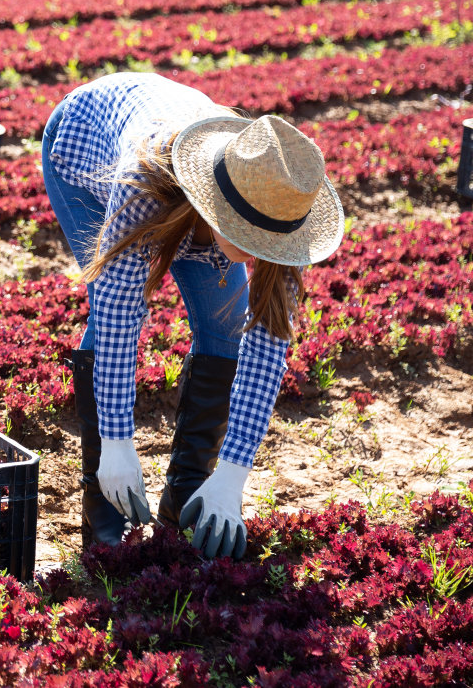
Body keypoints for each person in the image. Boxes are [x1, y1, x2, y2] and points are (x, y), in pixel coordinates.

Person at [40, 73, 343, 558]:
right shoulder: (143, 182)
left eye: (264, 242)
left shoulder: (282, 206)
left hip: (180, 174)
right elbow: (120, 312)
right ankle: (104, 506)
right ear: (218, 205)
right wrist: (117, 443)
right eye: (245, 235)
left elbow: (265, 348)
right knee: (107, 308)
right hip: (86, 147)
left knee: (224, 328)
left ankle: (186, 500)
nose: (253, 255)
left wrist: (232, 474)